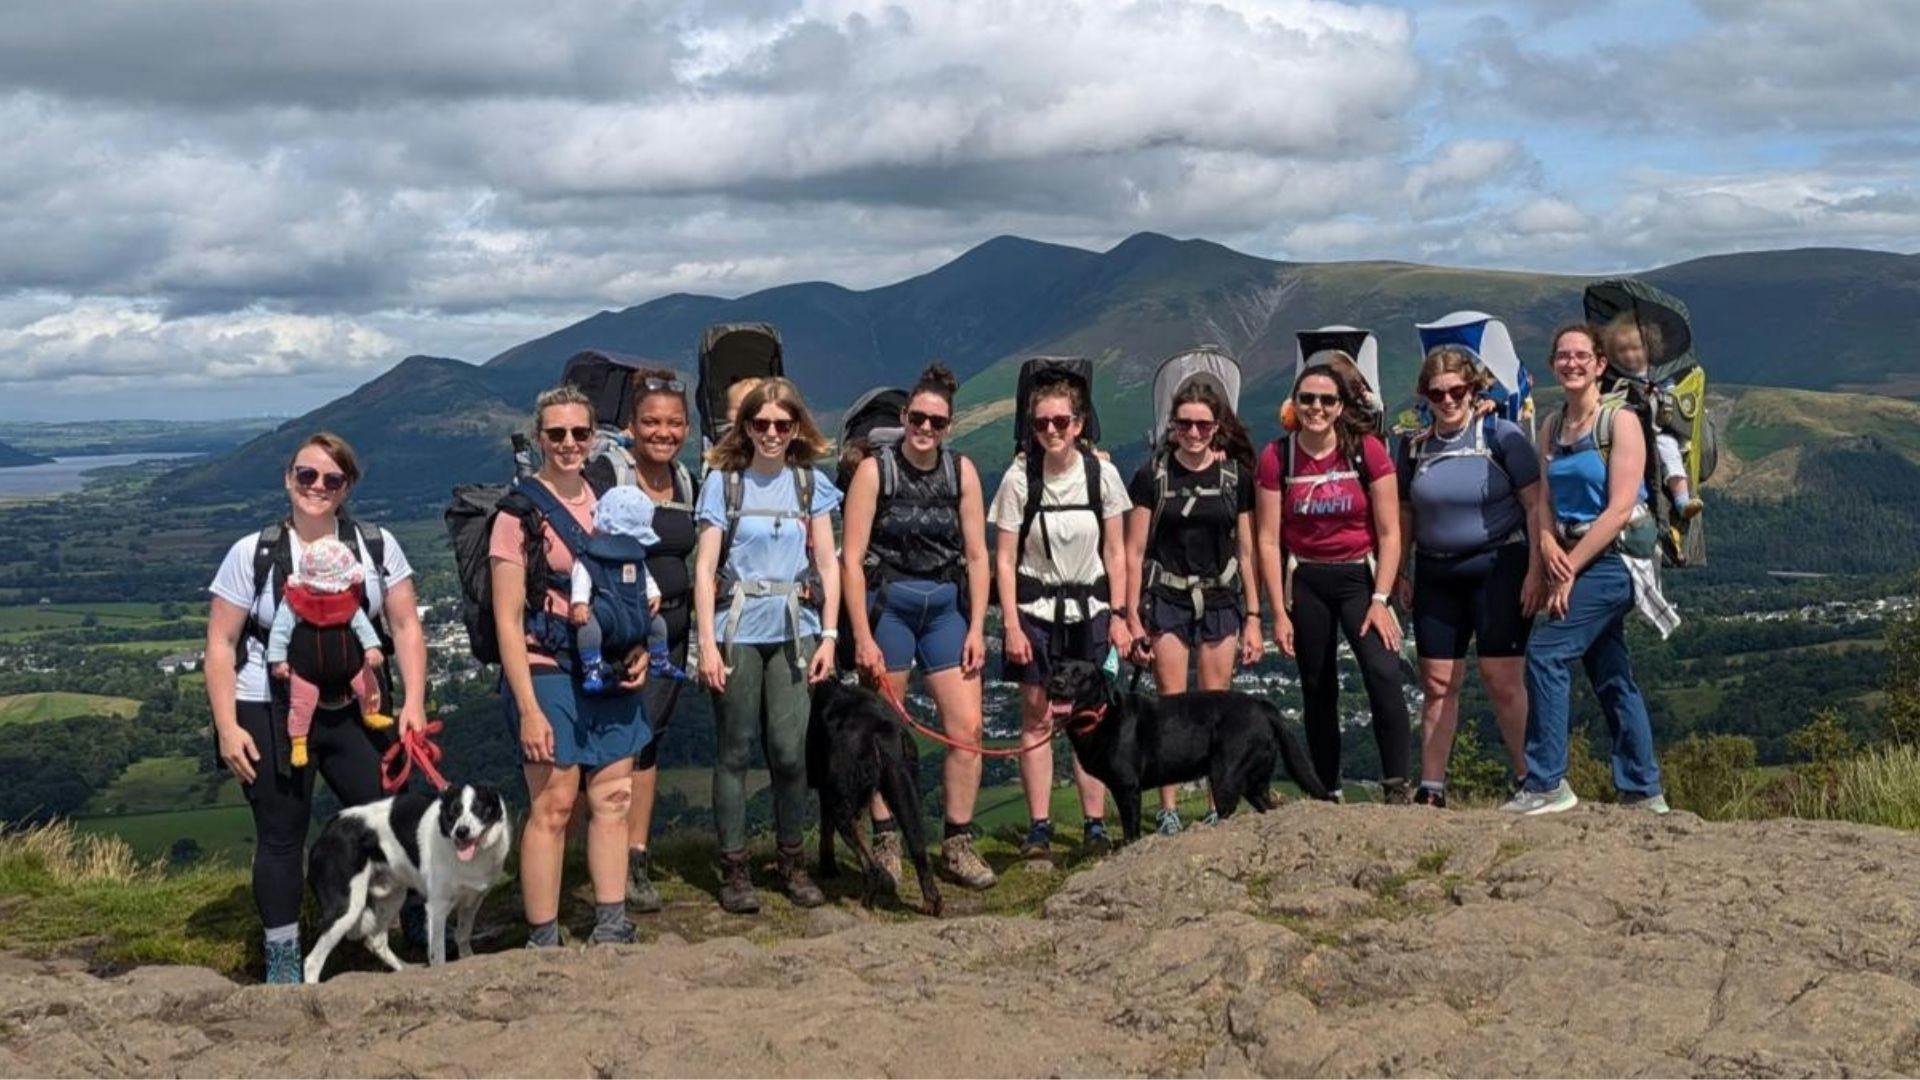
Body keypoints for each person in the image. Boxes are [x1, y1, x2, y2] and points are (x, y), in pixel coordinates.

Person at [205, 432, 429, 984]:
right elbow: (219, 645)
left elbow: (404, 625)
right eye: (307, 475)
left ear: (347, 486)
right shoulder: (252, 554)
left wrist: (416, 702)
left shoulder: (375, 544)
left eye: (332, 479)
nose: (318, 487)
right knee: (282, 835)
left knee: (401, 822)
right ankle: (284, 963)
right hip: (270, 708)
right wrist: (228, 728)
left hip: (361, 708)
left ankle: (422, 933)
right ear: (288, 478)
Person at [491, 386, 652, 948]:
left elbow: (630, 591)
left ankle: (611, 921)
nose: (568, 444)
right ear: (540, 438)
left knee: (613, 797)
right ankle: (543, 935)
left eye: (579, 433)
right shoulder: (517, 514)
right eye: (556, 434)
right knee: (555, 802)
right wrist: (529, 709)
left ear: (593, 437)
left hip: (609, 661)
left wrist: (641, 653)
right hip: (544, 663)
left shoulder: (608, 500)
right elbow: (508, 619)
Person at [841, 362, 997, 890]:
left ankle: (957, 842)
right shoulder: (874, 472)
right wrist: (861, 636)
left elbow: (978, 555)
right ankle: (887, 840)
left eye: (937, 421)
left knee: (968, 730)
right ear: (904, 416)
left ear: (949, 425)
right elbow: (851, 557)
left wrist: (978, 626)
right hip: (890, 610)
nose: (926, 429)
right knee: (885, 735)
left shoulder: (962, 473)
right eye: (918, 418)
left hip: (946, 610)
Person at [1504, 325, 1667, 815]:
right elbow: (1545, 505)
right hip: (1572, 554)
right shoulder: (1553, 426)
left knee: (1548, 654)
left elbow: (1619, 509)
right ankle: (1642, 788)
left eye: (1582, 356)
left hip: (1617, 559)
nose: (1571, 363)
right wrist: (1547, 551)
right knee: (1610, 672)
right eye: (1563, 356)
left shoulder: (1621, 423)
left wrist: (1568, 569)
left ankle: (1546, 784)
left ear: (1600, 365)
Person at [693, 377, 842, 914]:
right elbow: (706, 569)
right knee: (734, 751)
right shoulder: (724, 484)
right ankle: (735, 869)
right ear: (746, 427)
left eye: (783, 424)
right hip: (737, 629)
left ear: (797, 426)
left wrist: (829, 634)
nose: (773, 434)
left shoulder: (810, 486)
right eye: (762, 424)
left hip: (794, 630)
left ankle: (790, 859)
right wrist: (705, 644)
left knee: (787, 751)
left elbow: (828, 564)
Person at [1394, 347, 1546, 806]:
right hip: (1437, 572)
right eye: (1437, 393)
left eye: (1457, 391)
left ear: (1474, 389)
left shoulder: (1504, 436)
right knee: (1438, 683)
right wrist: (1402, 569)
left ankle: (1532, 780)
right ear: (1425, 396)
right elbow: (1404, 512)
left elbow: (1536, 505)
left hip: (1499, 566)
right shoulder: (1414, 446)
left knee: (1501, 679)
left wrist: (1537, 569)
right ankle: (1432, 787)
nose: (1447, 400)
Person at [1254, 354, 1410, 803]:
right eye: (1307, 399)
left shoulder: (1366, 450)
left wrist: (1381, 598)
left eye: (1326, 400)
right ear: (1295, 403)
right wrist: (1277, 612)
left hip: (1359, 578)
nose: (1316, 408)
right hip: (1306, 579)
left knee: (1382, 674)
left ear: (1341, 406)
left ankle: (1397, 786)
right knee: (1317, 686)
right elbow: (1267, 539)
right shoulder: (1277, 456)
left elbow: (1389, 532)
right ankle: (1329, 790)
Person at [991, 375, 1133, 864]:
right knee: (1035, 716)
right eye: (1042, 422)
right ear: (1031, 427)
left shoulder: (1101, 475)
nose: (1052, 430)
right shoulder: (1018, 479)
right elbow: (1004, 558)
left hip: (1091, 611)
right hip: (1035, 612)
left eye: (1061, 421)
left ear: (1078, 424)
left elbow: (1116, 550)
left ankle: (1095, 825)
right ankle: (1039, 827)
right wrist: (1009, 623)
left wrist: (1121, 614)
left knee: (1090, 719)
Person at [581, 366, 698, 914]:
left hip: (670, 636)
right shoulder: (609, 474)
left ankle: (637, 856)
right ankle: (605, 867)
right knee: (615, 751)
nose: (663, 432)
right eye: (651, 422)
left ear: (687, 429)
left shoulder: (687, 479)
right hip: (620, 641)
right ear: (631, 424)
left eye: (674, 423)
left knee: (648, 745)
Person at [1123, 381, 1261, 834]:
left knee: (1215, 708)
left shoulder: (1235, 478)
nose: (1194, 433)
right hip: (1167, 598)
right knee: (1169, 706)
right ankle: (1167, 808)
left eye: (1203, 424)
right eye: (1185, 424)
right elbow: (1134, 549)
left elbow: (1247, 549)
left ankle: (1216, 803)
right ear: (1173, 427)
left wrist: (1256, 616)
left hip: (1220, 597)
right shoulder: (1152, 478)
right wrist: (1130, 615)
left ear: (1217, 427)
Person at [265, 536, 392, 768]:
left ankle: (371, 713)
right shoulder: (295, 602)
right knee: (301, 703)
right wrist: (278, 660)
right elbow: (280, 630)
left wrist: (372, 647)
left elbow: (361, 624)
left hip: (349, 665)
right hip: (306, 669)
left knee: (367, 685)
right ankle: (299, 740)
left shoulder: (345, 600)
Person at [567, 485, 680, 694]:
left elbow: (644, 575)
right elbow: (582, 575)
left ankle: (659, 658)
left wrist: (654, 593)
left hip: (628, 610)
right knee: (588, 626)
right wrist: (580, 601)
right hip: (606, 610)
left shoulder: (633, 557)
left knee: (657, 623)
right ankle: (592, 666)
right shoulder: (593, 557)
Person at [1601, 314, 1701, 522]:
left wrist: (1657, 394)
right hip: (1627, 433)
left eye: (1635, 348)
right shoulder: (1614, 379)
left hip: (1658, 431)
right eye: (1622, 350)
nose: (1629, 355)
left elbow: (1674, 401)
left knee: (1667, 447)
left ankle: (1682, 499)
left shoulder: (1661, 376)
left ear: (1649, 348)